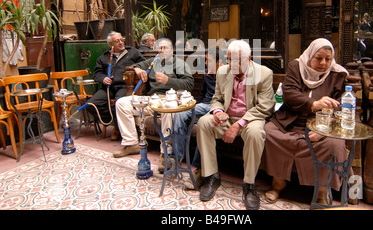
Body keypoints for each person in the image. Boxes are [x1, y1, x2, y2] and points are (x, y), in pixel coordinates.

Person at [260, 38, 349, 204]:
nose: (323, 63)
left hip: (321, 125)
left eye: (328, 59)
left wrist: (323, 130)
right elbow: (289, 94)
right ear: (309, 56)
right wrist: (314, 104)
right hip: (292, 121)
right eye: (318, 58)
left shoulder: (337, 75)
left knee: (334, 145)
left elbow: (341, 107)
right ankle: (278, 183)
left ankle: (322, 191)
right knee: (269, 132)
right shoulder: (296, 67)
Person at [196, 40, 275, 210]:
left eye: (237, 61)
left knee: (255, 133)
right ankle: (211, 176)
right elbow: (216, 99)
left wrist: (238, 124)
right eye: (230, 59)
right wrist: (217, 112)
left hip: (250, 119)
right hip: (227, 118)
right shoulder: (223, 71)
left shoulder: (264, 73)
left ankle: (249, 184)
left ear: (249, 59)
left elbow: (265, 107)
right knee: (204, 122)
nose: (232, 64)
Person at [114, 38, 194, 173]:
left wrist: (169, 80)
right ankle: (131, 144)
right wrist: (138, 70)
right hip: (152, 100)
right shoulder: (153, 61)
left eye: (165, 48)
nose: (161, 51)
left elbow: (189, 84)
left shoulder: (179, 63)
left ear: (172, 50)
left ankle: (166, 154)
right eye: (159, 48)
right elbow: (137, 65)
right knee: (122, 103)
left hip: (170, 100)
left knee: (169, 111)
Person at [172, 47, 222, 187]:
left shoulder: (227, 74)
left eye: (209, 60)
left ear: (219, 63)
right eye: (205, 59)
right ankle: (176, 159)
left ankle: (198, 169)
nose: (206, 63)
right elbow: (202, 94)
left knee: (204, 124)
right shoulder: (206, 74)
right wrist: (193, 109)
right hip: (204, 105)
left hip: (217, 108)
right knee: (179, 114)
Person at [86, 32, 145, 140]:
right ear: (110, 44)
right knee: (91, 104)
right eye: (117, 41)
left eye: (121, 40)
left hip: (124, 87)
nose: (121, 42)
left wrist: (137, 67)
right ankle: (114, 122)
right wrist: (103, 78)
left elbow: (144, 63)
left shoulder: (132, 52)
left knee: (119, 103)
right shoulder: (103, 57)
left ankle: (118, 129)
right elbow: (96, 73)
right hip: (108, 88)